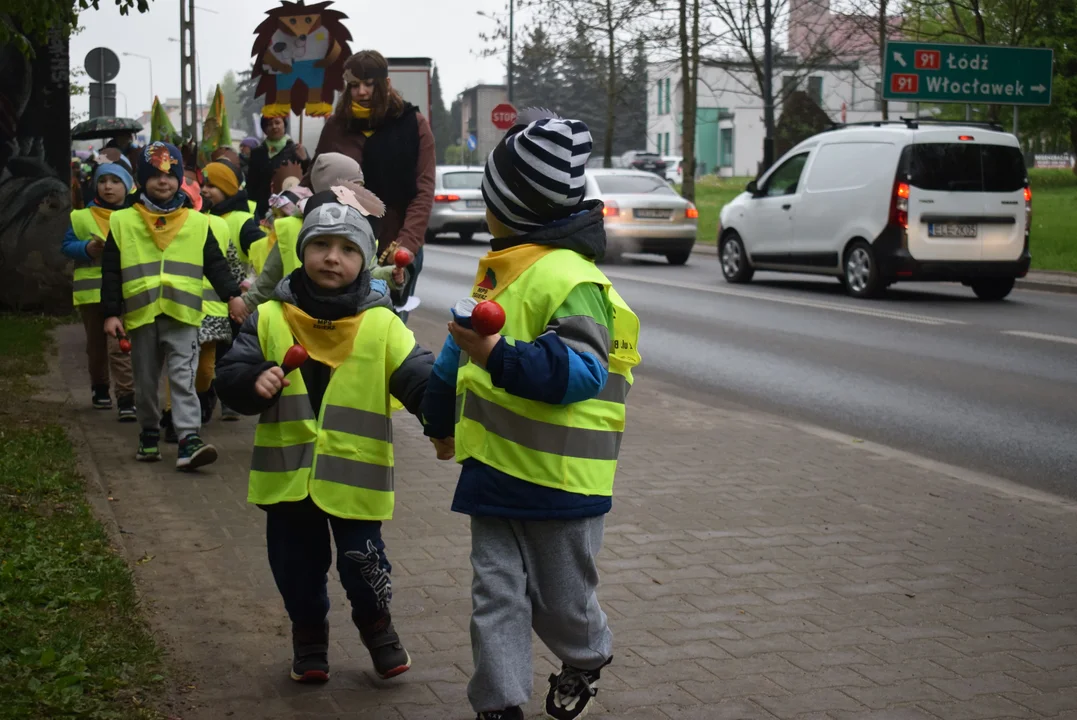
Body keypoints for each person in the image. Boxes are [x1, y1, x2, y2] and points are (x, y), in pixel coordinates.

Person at [420, 112, 641, 720]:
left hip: (562, 483)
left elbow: (579, 371)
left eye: (490, 197)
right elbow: (451, 361)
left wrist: (497, 354)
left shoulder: (574, 280)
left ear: (511, 207)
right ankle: (499, 702)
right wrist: (438, 420)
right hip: (492, 474)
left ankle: (586, 657)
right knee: (495, 596)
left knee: (563, 604)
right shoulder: (498, 273)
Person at [215, 194, 432, 684]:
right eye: (321, 245)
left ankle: (377, 627)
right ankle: (309, 635)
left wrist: (444, 408)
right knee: (296, 571)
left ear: (364, 262)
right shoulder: (269, 318)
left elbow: (418, 376)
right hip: (289, 481)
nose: (332, 257)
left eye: (348, 249)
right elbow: (228, 374)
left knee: (365, 565)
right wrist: (253, 381)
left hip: (356, 482)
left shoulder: (383, 324)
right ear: (303, 251)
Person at [99, 141, 244, 470]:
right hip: (141, 315)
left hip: (183, 314)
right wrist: (110, 312)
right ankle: (149, 432)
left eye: (170, 174)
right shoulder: (123, 221)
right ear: (141, 180)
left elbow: (216, 265)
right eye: (154, 175)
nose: (162, 181)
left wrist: (232, 295)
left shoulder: (197, 223)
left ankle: (188, 438)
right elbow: (110, 270)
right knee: (146, 382)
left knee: (183, 377)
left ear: (179, 179)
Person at [313, 50, 435, 322]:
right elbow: (317, 178)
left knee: (387, 330)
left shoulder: (414, 125)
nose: (362, 92)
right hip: (344, 244)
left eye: (369, 84)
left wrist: (403, 247)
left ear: (386, 84)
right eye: (354, 85)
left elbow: (423, 191)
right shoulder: (336, 126)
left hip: (396, 244)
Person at [240, 152, 399, 316]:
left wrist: (389, 274)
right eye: (352, 187)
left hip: (345, 321)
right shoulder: (289, 227)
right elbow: (269, 279)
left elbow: (370, 272)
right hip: (296, 319)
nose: (358, 194)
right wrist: (247, 305)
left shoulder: (362, 231)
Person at [61, 160, 136, 420]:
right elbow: (66, 246)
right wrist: (86, 249)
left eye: (115, 182)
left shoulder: (134, 217)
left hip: (124, 293)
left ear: (127, 187)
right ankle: (100, 387)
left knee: (120, 346)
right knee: (96, 346)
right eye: (103, 181)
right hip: (92, 295)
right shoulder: (80, 216)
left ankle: (126, 396)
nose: (108, 187)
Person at [246, 116, 310, 219]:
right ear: (264, 129)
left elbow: (308, 176)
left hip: (289, 208)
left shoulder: (296, 149)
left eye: (277, 123)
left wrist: (305, 160)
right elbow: (251, 185)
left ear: (284, 125)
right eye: (269, 124)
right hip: (263, 209)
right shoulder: (257, 153)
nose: (274, 127)